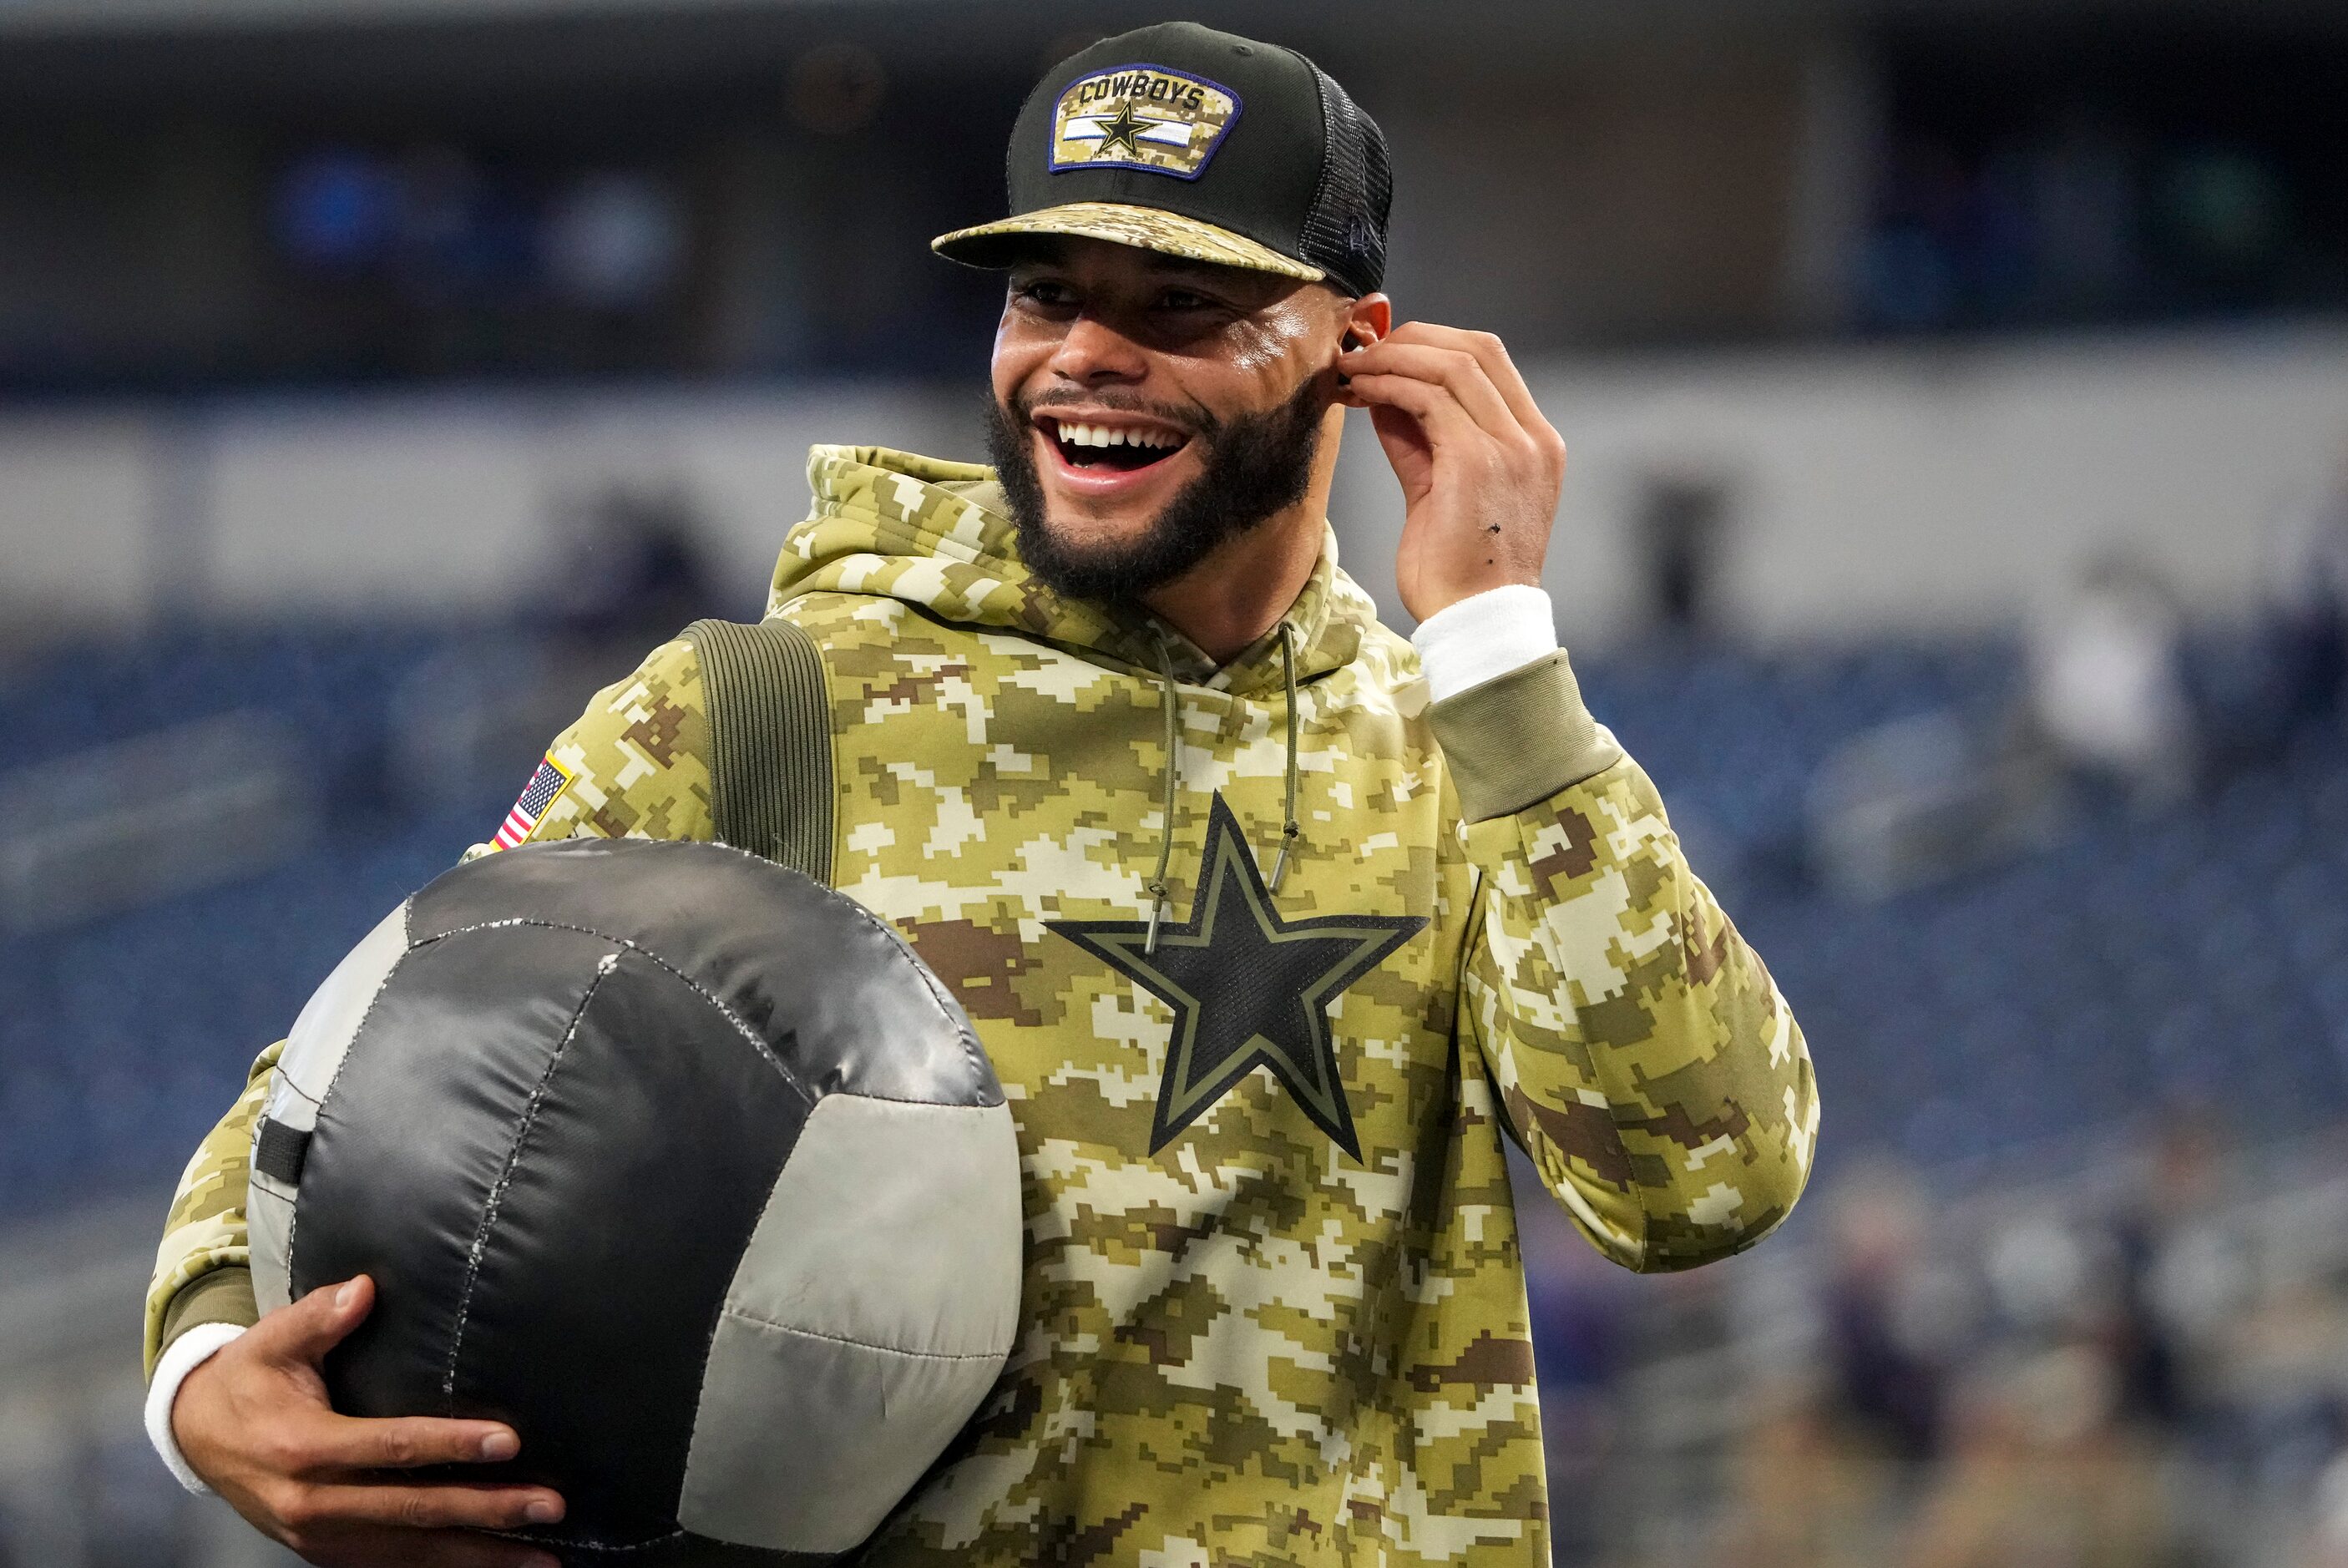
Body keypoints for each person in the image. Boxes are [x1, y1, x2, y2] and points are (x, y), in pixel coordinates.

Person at [139, 23, 1818, 1568]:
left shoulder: (1466, 752)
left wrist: (1499, 651)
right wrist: (206, 1369)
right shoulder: (754, 710)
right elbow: (363, 1070)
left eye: (1179, 305)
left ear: (1355, 353)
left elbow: (1700, 1190)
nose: (1086, 356)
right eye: (1043, 297)